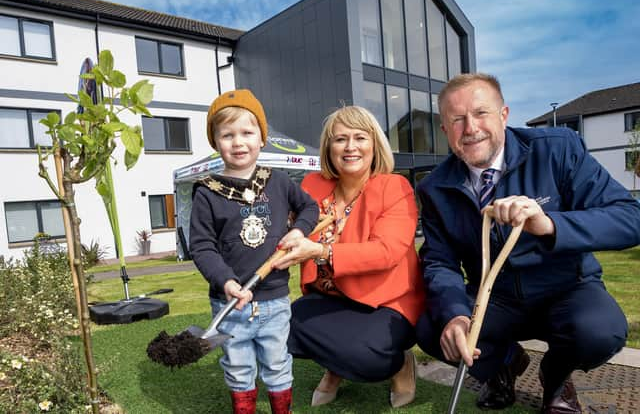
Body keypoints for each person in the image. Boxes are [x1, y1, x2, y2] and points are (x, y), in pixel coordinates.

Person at [415, 73, 640, 413]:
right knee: (433, 329)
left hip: (566, 288)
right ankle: (504, 364)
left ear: (503, 115)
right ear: (445, 130)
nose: (471, 128)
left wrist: (550, 224)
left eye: (481, 113)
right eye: (457, 120)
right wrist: (455, 316)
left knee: (599, 331)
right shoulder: (434, 187)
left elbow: (629, 217)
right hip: (497, 298)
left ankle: (556, 375)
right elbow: (438, 261)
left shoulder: (557, 149)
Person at [272, 105, 426, 408]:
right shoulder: (312, 186)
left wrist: (321, 250)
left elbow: (387, 251)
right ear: (328, 148)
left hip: (385, 302)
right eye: (340, 139)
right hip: (330, 296)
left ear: (374, 145)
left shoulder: (395, 187)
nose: (350, 147)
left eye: (360, 137)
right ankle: (336, 366)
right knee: (275, 327)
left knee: (366, 357)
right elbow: (287, 227)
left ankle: (399, 364)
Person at [189, 89, 319, 414]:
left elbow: (309, 207)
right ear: (215, 142)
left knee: (277, 364)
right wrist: (226, 281)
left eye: (247, 133)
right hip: (229, 302)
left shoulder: (277, 181)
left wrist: (298, 230)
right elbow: (202, 246)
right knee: (238, 368)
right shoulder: (207, 192)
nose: (238, 142)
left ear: (262, 138)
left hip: (274, 300)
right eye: (227, 135)